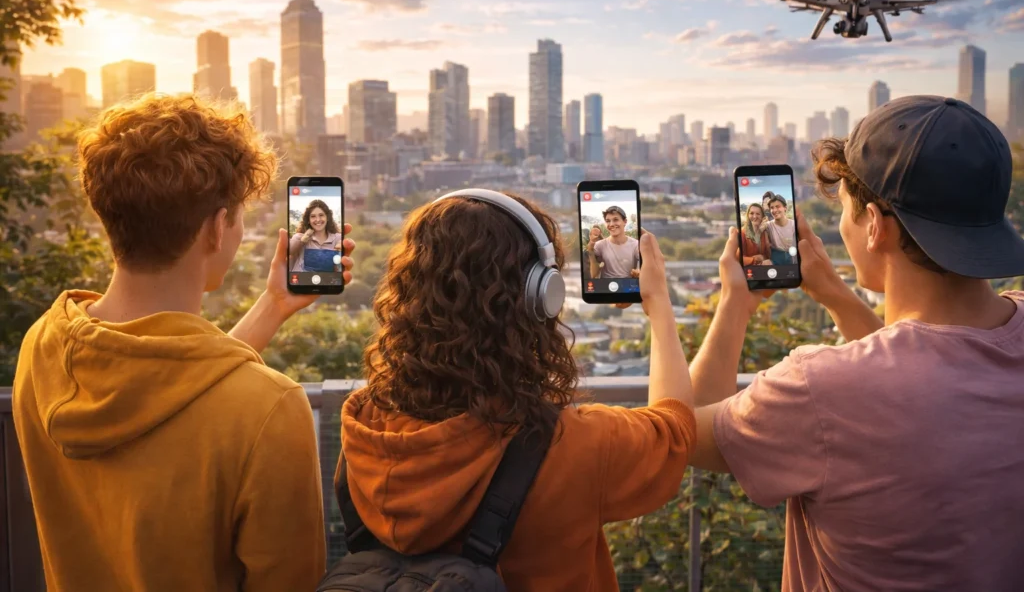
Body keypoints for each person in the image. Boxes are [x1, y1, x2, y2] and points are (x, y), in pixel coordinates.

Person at [13, 93, 357, 592]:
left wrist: (273, 304)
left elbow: (169, 384)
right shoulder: (271, 409)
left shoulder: (45, 346)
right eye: (238, 214)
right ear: (217, 229)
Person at [687, 96, 1024, 590]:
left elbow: (674, 433)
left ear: (875, 225)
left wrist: (733, 303)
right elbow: (918, 380)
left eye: (844, 210)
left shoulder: (820, 389)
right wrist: (839, 298)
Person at [337, 191, 695, 591]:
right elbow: (676, 429)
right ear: (541, 295)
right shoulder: (573, 444)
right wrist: (659, 304)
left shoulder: (365, 427)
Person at [586, 205, 641, 280]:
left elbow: (643, 267)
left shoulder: (635, 244)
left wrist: (638, 272)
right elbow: (594, 274)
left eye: (615, 220)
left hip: (627, 288)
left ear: (625, 222)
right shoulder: (600, 245)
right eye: (608, 221)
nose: (611, 224)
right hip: (606, 288)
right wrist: (591, 249)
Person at [289, 199, 343, 273]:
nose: (318, 219)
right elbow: (289, 252)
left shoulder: (338, 238)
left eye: (321, 215)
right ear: (308, 220)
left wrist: (341, 250)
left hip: (327, 282)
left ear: (327, 217)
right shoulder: (299, 237)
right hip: (300, 282)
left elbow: (339, 267)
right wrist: (302, 241)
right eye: (313, 216)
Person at [765, 194, 796, 265]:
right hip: (776, 257)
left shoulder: (793, 224)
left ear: (785, 208)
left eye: (777, 207)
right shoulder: (768, 225)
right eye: (772, 208)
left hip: (792, 257)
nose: (774, 210)